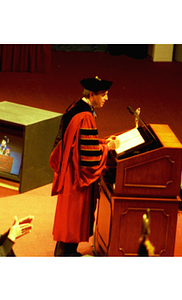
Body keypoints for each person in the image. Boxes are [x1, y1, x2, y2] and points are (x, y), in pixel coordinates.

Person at [49, 76, 120, 256]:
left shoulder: (76, 107)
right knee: (72, 216)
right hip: (75, 175)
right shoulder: (85, 115)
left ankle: (64, 252)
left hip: (69, 168)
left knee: (68, 218)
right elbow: (87, 153)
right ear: (91, 94)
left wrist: (103, 142)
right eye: (103, 94)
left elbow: (79, 142)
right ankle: (66, 255)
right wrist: (106, 148)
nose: (106, 98)